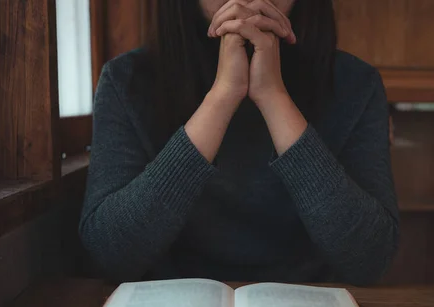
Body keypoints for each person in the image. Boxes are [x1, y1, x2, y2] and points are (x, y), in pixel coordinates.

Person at [79, 0, 399, 285]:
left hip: (310, 306)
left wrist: (273, 97)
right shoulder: (126, 81)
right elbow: (110, 255)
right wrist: (223, 95)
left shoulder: (357, 84)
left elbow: (370, 260)